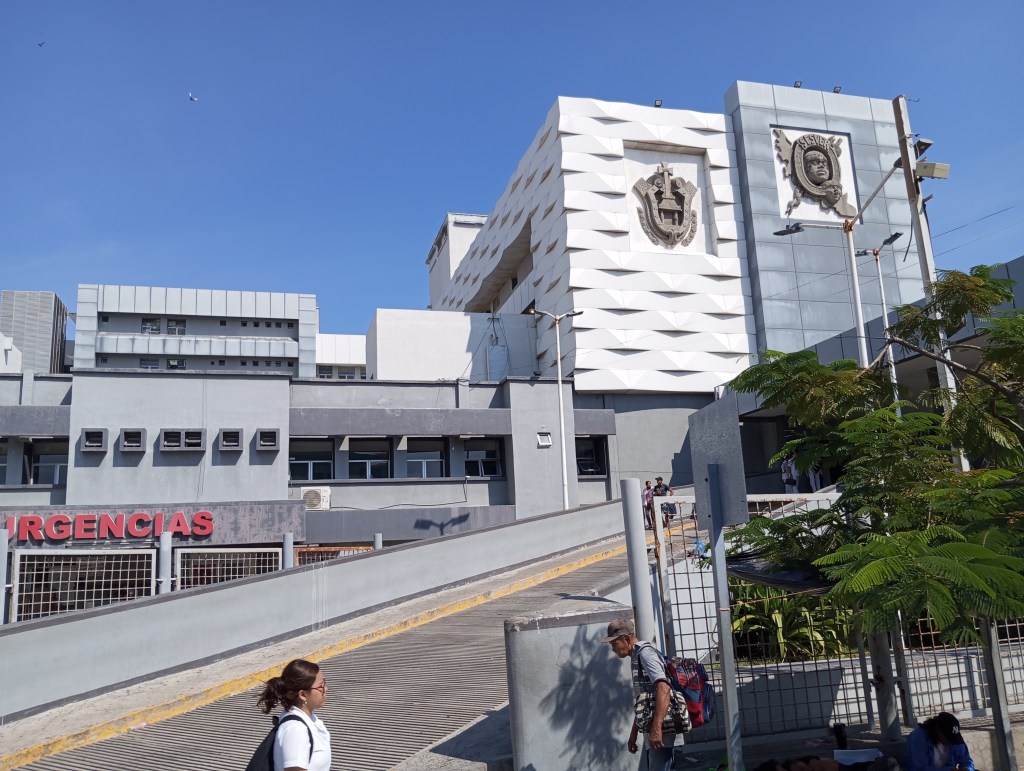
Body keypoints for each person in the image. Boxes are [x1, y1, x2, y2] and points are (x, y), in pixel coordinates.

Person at [603, 617, 679, 771]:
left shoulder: (645, 654)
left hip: (664, 732)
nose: (613, 649)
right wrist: (634, 733)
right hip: (656, 732)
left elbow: (664, 688)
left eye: (614, 644)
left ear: (625, 639)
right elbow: (644, 701)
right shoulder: (636, 656)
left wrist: (656, 728)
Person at [257, 659, 332, 771]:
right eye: (320, 686)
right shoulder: (296, 729)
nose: (326, 689)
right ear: (303, 695)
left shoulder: (308, 718)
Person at [906, 712, 975, 771]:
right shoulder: (919, 737)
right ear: (938, 730)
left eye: (952, 738)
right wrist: (948, 770)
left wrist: (967, 768)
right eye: (947, 737)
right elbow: (920, 768)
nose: (950, 741)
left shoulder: (955, 740)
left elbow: (966, 760)